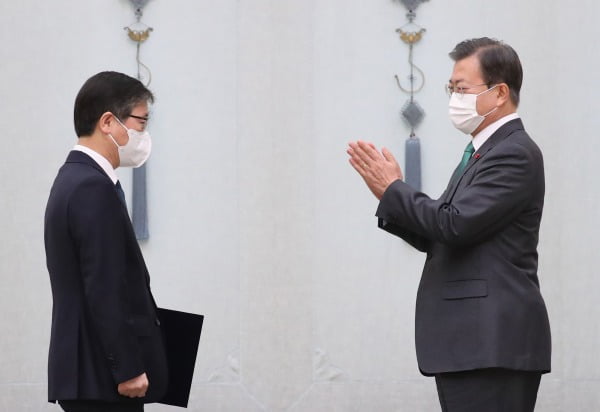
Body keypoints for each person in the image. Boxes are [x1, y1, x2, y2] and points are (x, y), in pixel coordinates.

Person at [347, 37, 551, 412]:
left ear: (499, 92)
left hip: (491, 344)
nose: (454, 99)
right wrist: (389, 195)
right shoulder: (482, 151)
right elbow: (442, 231)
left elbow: (454, 225)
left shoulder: (513, 152)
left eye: (461, 89)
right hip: (473, 344)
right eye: (451, 89)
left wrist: (393, 190)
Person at [44, 71, 167, 412]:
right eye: (141, 122)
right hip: (101, 376)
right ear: (109, 122)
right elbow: (103, 286)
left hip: (92, 373)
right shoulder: (90, 187)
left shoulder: (77, 178)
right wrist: (127, 367)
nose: (144, 134)